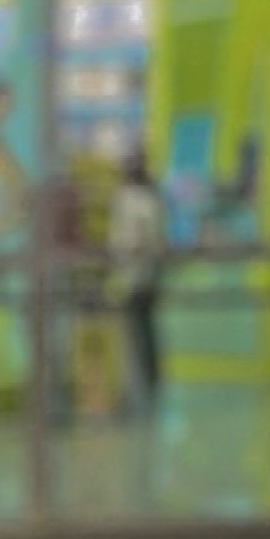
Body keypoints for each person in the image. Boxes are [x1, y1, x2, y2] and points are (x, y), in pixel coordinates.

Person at [108, 147, 165, 418]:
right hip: (148, 273)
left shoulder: (128, 198)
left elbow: (128, 238)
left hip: (133, 274)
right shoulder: (151, 197)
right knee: (146, 328)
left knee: (136, 331)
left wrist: (122, 271)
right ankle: (150, 382)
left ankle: (140, 383)